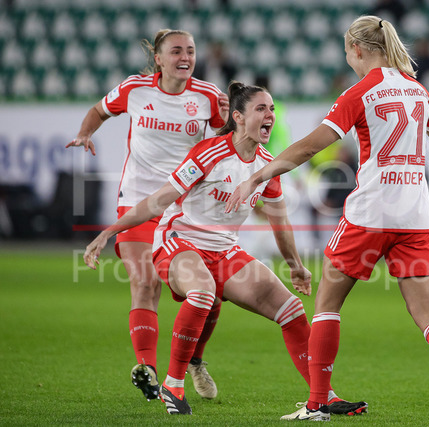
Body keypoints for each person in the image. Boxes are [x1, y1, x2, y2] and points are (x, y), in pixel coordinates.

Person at [226, 16, 429, 424]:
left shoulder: (359, 92)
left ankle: (316, 404)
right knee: (427, 311)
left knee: (327, 304)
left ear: (357, 49)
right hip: (415, 217)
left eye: (348, 53)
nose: (349, 60)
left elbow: (310, 147)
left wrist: (258, 175)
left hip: (370, 215)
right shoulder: (418, 90)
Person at [82, 82, 368, 416]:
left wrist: (296, 266)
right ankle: (173, 384)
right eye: (261, 109)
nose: (269, 115)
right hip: (178, 242)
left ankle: (322, 396)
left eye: (272, 109)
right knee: (203, 292)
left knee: (291, 310)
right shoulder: (209, 152)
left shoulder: (267, 166)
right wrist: (109, 232)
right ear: (238, 117)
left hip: (224, 251)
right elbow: (159, 200)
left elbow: (280, 222)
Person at [66, 29, 229, 402]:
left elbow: (224, 141)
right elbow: (99, 110)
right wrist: (85, 133)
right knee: (144, 284)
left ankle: (195, 360)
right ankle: (148, 371)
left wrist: (227, 123)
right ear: (158, 58)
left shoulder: (208, 96)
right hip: (138, 202)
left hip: (186, 207)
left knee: (212, 292)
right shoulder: (134, 89)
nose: (185, 57)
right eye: (176, 51)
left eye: (190, 51)